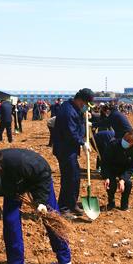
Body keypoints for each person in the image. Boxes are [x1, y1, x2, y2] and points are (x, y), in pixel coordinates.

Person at [52, 88, 94, 217]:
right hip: (65, 149)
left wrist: (85, 117)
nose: (86, 107)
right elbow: (70, 132)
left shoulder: (74, 108)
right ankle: (64, 208)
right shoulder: (67, 111)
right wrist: (82, 142)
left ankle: (72, 204)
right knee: (69, 178)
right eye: (85, 104)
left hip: (71, 149)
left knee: (75, 177)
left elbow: (77, 124)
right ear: (80, 100)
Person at [101, 130, 133, 211]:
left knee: (128, 183)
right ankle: (111, 203)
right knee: (110, 184)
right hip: (111, 169)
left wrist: (123, 179)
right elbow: (105, 162)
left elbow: (131, 168)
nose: (124, 141)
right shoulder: (113, 145)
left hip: (124, 170)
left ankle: (124, 204)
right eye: (124, 138)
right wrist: (106, 176)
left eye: (128, 140)